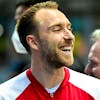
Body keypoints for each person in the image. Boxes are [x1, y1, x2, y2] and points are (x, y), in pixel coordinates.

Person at [0, 1, 100, 99]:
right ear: (33, 42)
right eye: (57, 29)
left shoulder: (95, 90)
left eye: (69, 29)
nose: (70, 36)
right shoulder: (6, 95)